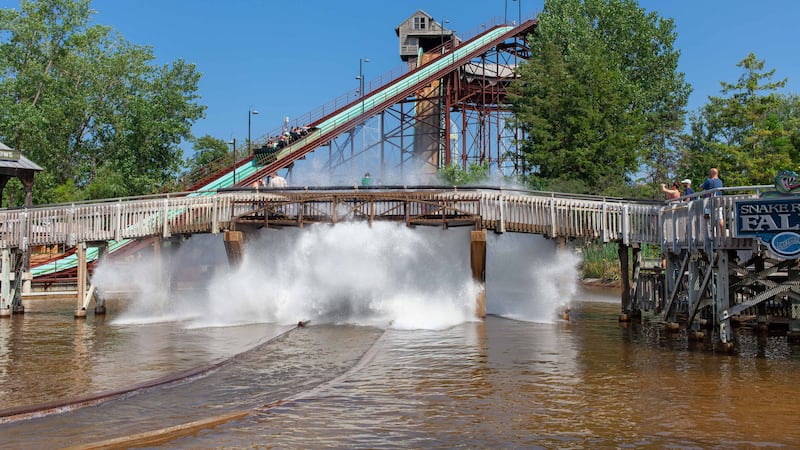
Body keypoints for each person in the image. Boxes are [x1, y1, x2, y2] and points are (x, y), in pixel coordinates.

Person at [700, 168, 724, 235]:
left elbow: (701, 188)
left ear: (712, 173)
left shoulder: (708, 180)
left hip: (709, 202)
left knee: (707, 217)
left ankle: (709, 235)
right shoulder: (720, 181)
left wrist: (702, 185)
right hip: (718, 201)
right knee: (720, 217)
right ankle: (722, 234)